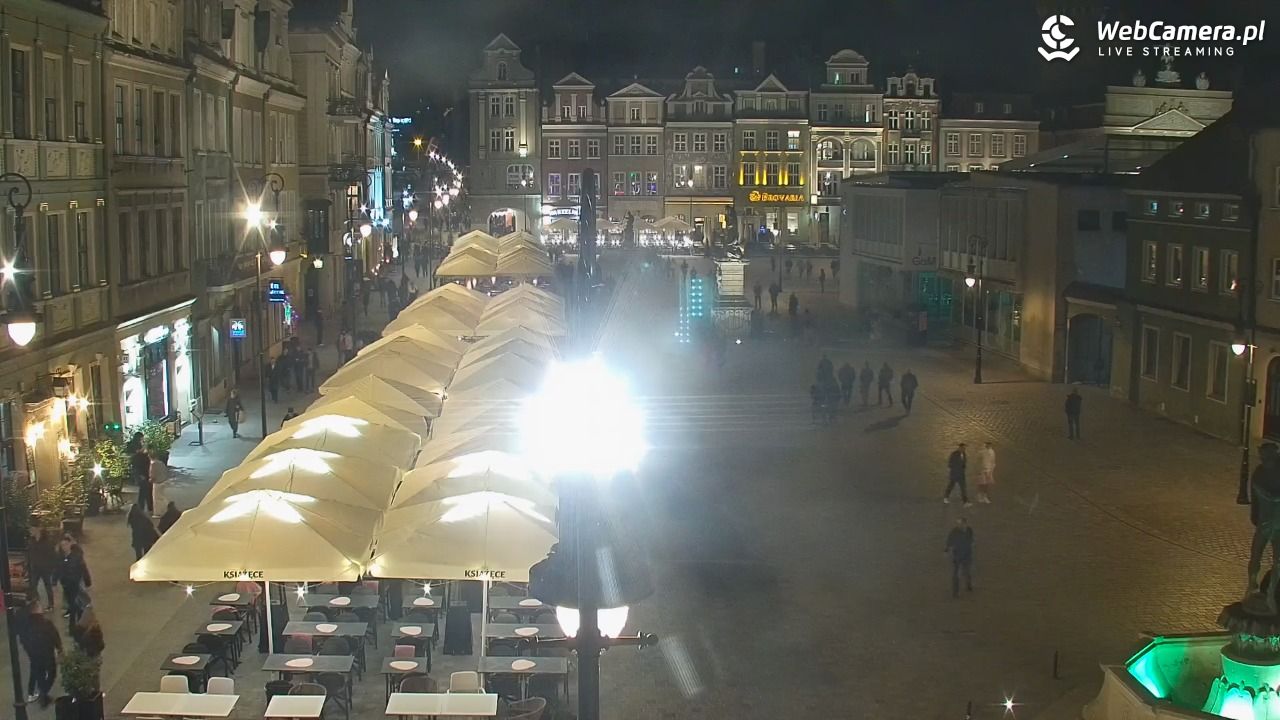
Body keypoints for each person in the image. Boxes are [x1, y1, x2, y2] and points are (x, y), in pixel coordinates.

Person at [19, 601, 62, 706]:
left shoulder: (26, 626)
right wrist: (59, 648)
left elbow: (23, 640)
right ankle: (43, 692)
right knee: (52, 673)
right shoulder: (46, 623)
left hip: (34, 655)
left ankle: (40, 692)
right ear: (37, 610)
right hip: (47, 653)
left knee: (39, 674)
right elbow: (55, 636)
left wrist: (29, 650)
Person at [58, 539, 91, 626]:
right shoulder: (61, 557)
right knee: (72, 603)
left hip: (74, 583)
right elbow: (58, 569)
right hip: (66, 584)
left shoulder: (76, 556)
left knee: (73, 604)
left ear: (70, 545)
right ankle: (78, 616)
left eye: (65, 544)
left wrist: (87, 581)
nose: (64, 547)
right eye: (62, 545)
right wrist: (56, 580)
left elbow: (83, 569)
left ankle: (74, 624)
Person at [27, 528, 58, 610]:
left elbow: (53, 556)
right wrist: (28, 566)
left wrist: (51, 567)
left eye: (32, 530)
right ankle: (36, 602)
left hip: (45, 568)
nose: (30, 532)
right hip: (35, 568)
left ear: (38, 532)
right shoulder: (31, 541)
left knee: (48, 586)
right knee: (33, 585)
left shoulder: (47, 543)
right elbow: (29, 554)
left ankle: (51, 605)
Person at [945, 517, 975, 598]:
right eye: (959, 524)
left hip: (966, 555)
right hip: (958, 555)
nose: (960, 525)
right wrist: (947, 549)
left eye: (961, 524)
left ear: (965, 523)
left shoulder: (969, 530)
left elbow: (971, 541)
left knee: (967, 571)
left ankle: (968, 584)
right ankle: (955, 592)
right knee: (956, 574)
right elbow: (949, 541)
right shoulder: (955, 532)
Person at [131, 447, 152, 514]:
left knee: (143, 492)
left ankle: (142, 507)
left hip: (142, 476)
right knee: (147, 492)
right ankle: (149, 507)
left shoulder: (135, 457)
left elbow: (134, 468)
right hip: (145, 476)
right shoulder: (144, 457)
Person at [149, 450, 169, 515]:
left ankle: (158, 513)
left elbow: (152, 475)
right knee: (162, 496)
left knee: (156, 499)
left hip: (157, 482)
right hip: (163, 481)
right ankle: (167, 508)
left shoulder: (153, 464)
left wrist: (150, 480)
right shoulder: (161, 463)